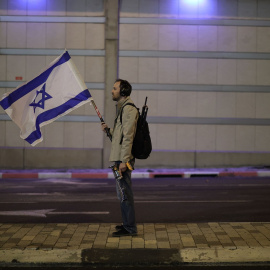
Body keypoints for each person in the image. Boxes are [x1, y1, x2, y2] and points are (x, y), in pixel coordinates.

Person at [101, 79, 138, 237]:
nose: (112, 91)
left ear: (123, 92)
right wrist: (109, 131)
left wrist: (124, 160)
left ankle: (130, 228)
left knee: (125, 193)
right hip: (119, 158)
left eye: (115, 88)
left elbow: (129, 137)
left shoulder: (128, 110)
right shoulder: (122, 109)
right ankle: (126, 224)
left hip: (123, 160)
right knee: (122, 193)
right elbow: (119, 138)